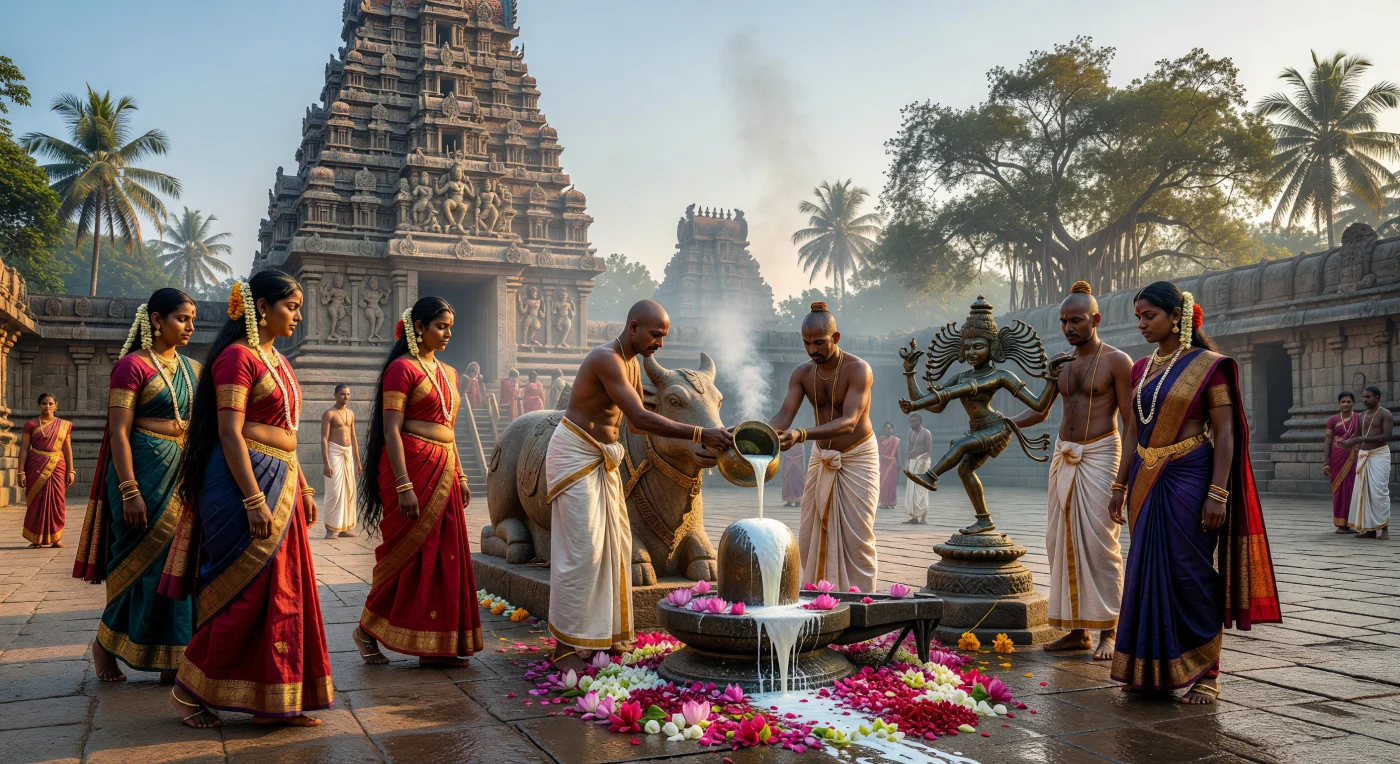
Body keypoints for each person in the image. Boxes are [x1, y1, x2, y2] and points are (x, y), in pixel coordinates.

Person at [161, 269, 330, 728]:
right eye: (290, 307)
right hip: (242, 484)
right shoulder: (236, 358)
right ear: (261, 307)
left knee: (284, 593)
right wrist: (254, 499)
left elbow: (290, 432)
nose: (298, 315)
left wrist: (308, 488)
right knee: (242, 589)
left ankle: (274, 698)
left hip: (285, 480)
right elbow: (229, 433)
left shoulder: (280, 361)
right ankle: (189, 690)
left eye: (298, 307)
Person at [1110, 281, 1280, 705]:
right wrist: (1119, 483)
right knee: (1145, 572)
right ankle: (1152, 672)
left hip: (1191, 476)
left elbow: (1224, 433)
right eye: (1139, 317)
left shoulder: (1210, 366)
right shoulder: (1141, 368)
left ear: (1176, 316)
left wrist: (1218, 493)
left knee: (1190, 572)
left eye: (1150, 316)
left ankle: (1207, 672)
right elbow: (1132, 429)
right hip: (1147, 477)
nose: (1143, 324)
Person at [547, 300, 732, 672]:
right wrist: (700, 432)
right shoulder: (606, 359)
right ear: (633, 327)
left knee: (614, 547)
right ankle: (565, 647)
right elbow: (640, 416)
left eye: (664, 336)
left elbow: (637, 426)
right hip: (577, 454)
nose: (659, 343)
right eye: (655, 334)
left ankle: (606, 636)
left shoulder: (632, 365)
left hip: (605, 456)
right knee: (582, 551)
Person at [73, 289, 198, 683]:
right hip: (140, 469)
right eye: (181, 318)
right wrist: (129, 489)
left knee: (178, 565)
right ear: (157, 320)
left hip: (181, 470)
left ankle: (171, 656)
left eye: (192, 319)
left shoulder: (193, 369)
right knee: (137, 565)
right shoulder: (132, 367)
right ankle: (104, 646)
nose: (190, 327)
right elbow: (119, 432)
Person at [353, 297, 482, 666]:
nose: (447, 334)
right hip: (410, 465)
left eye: (450, 327)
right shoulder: (401, 369)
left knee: (445, 558)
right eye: (440, 326)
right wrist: (404, 485)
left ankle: (435, 645)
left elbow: (450, 429)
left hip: (443, 467)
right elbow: (390, 431)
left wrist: (460, 473)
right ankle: (365, 630)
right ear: (419, 327)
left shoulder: (451, 374)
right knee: (405, 556)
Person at [1010, 281, 1133, 661]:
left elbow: (1131, 423)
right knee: (1060, 542)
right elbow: (1041, 411)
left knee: (1100, 543)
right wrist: (1003, 424)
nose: (1068, 327)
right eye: (1064, 321)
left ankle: (1109, 632)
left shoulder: (1117, 361)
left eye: (1076, 320)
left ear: (1095, 319)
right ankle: (1077, 632)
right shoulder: (1061, 363)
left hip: (1100, 455)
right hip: (1063, 456)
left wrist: (1121, 484)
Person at [769, 302, 878, 592]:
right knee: (809, 535)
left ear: (836, 338)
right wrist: (749, 434)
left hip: (858, 457)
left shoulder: (858, 370)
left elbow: (850, 421)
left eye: (819, 342)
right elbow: (783, 416)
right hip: (822, 456)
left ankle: (861, 603)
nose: (811, 350)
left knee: (857, 537)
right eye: (806, 343)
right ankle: (821, 598)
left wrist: (802, 434)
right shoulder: (802, 373)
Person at [20, 393, 73, 548]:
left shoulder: (65, 425)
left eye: (50, 403)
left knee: (57, 501)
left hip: (58, 465)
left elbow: (67, 447)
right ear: (39, 405)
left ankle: (56, 538)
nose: (47, 406)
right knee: (36, 501)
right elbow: (24, 448)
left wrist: (71, 470)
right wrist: (20, 472)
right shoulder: (30, 424)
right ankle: (35, 538)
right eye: (44, 403)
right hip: (35, 464)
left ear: (56, 405)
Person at [1342, 386, 1392, 540]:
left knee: (1379, 492)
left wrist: (1362, 439)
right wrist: (1347, 443)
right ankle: (1369, 531)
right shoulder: (1361, 416)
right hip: (1364, 455)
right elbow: (1358, 436)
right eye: (1363, 397)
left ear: (1377, 398)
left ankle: (1384, 531)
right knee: (1364, 492)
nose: (1364, 400)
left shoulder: (1385, 414)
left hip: (1380, 455)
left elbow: (1387, 436)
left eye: (1368, 397)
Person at [320, 384, 361, 539]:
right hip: (334, 452)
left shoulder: (350, 414)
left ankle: (345, 527)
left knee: (350, 491)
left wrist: (358, 460)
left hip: (348, 453)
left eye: (348, 394)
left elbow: (354, 437)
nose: (346, 397)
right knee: (334, 491)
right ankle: (331, 529)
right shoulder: (329, 414)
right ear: (335, 395)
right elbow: (324, 438)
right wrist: (326, 463)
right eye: (343, 394)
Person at [1325, 392, 1360, 534]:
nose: (1346, 404)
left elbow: (1363, 437)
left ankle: (1352, 522)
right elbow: (1328, 441)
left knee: (1353, 489)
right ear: (1339, 403)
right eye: (1343, 402)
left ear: (1353, 403)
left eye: (1349, 401)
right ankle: (1341, 524)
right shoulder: (1332, 420)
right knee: (1339, 489)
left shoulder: (1359, 418)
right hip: (1337, 458)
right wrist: (1325, 462)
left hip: (1354, 456)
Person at [903, 414, 933, 524]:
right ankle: (914, 517)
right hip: (912, 463)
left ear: (919, 421)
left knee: (922, 490)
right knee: (912, 490)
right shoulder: (910, 433)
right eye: (910, 421)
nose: (912, 423)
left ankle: (924, 518)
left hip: (922, 463)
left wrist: (921, 459)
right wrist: (907, 462)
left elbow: (929, 450)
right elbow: (909, 449)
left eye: (914, 421)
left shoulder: (926, 433)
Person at [877, 422, 900, 508]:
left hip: (892, 464)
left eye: (890, 428)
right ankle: (883, 502)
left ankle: (891, 502)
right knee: (883, 483)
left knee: (891, 484)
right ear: (883, 429)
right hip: (882, 463)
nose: (888, 429)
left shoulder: (895, 440)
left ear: (892, 430)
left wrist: (899, 464)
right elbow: (877, 452)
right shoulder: (880, 440)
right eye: (886, 427)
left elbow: (897, 453)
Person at [781, 440, 807, 507]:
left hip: (797, 466)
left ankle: (797, 501)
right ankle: (789, 501)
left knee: (797, 482)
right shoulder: (788, 443)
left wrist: (794, 459)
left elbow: (801, 456)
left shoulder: (800, 445)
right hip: (789, 465)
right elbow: (785, 453)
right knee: (788, 482)